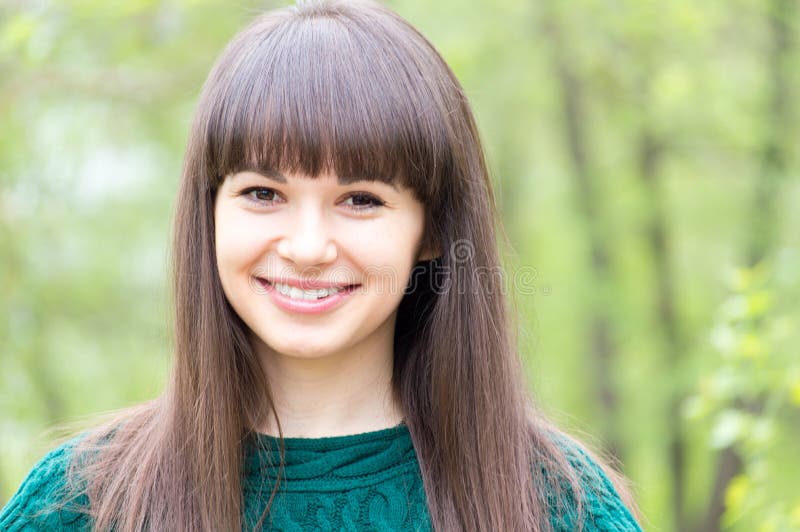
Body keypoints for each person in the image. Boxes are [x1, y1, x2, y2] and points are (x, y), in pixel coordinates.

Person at [0, 1, 642, 530]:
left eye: (361, 200)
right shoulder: (79, 505)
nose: (307, 247)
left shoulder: (561, 507)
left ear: (433, 231)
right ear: (210, 214)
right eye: (263, 194)